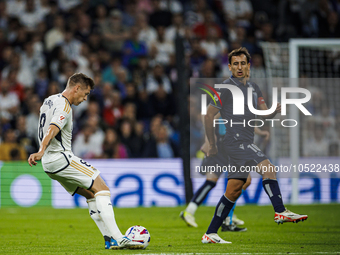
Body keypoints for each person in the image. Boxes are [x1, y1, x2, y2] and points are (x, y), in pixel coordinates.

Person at [201, 48, 308, 244]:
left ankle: (210, 233)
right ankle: (280, 211)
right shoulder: (225, 88)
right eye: (235, 64)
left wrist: (273, 113)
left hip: (245, 141)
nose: (239, 67)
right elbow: (208, 115)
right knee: (268, 168)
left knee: (234, 189)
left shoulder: (254, 88)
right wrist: (212, 144)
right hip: (235, 142)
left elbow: (262, 113)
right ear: (230, 67)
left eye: (243, 63)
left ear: (248, 66)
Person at [27, 73, 143, 250]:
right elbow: (52, 128)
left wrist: (43, 152)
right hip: (61, 158)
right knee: (102, 189)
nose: (85, 98)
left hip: (49, 165)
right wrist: (41, 150)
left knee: (91, 195)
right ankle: (120, 238)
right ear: (76, 88)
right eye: (86, 93)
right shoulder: (65, 107)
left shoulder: (49, 101)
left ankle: (109, 240)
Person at [181, 115, 269, 232]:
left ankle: (225, 215)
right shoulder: (225, 100)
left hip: (229, 147)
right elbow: (207, 115)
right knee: (215, 181)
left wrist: (261, 133)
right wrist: (209, 139)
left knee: (242, 181)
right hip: (221, 147)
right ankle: (221, 215)